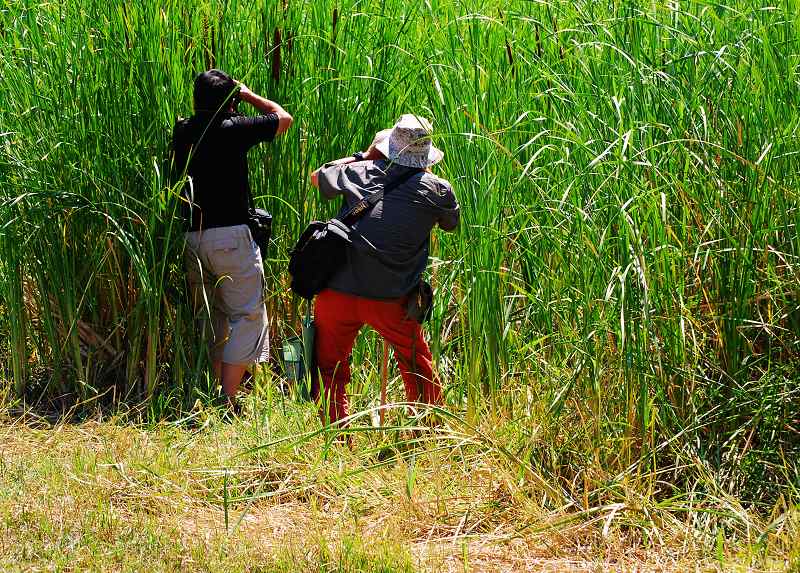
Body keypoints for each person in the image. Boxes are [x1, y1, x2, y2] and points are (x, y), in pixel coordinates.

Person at [309, 114, 460, 425]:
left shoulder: (358, 171)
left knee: (329, 367)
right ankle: (426, 430)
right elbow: (450, 224)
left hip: (337, 290)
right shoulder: (438, 190)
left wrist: (364, 156)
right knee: (416, 363)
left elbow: (317, 177)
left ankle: (334, 438)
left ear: (388, 147)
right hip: (391, 297)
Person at [172, 69, 292, 410]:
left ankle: (215, 391)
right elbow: (282, 119)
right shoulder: (234, 129)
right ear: (230, 102)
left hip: (192, 238)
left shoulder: (183, 131)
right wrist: (248, 94)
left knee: (214, 318)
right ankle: (227, 399)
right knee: (248, 315)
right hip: (231, 238)